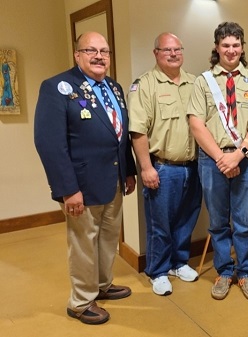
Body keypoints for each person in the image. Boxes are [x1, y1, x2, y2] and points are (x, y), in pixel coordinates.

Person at [34, 32, 137, 325]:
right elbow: (49, 143)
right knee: (82, 244)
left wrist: (127, 171)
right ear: (77, 54)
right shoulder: (57, 88)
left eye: (104, 51)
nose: (99, 56)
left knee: (106, 240)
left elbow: (120, 136)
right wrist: (68, 190)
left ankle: (102, 285)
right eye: (90, 50)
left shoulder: (114, 88)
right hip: (81, 186)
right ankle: (80, 302)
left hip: (114, 181)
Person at [188, 21, 248, 301]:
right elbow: (196, 123)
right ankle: (224, 271)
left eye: (236, 45)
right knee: (218, 221)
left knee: (244, 221)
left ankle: (245, 272)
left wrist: (239, 154)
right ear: (217, 47)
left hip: (244, 159)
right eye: (226, 45)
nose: (231, 50)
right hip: (213, 160)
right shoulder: (203, 82)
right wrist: (222, 157)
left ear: (242, 47)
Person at [128, 32, 202, 296]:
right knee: (160, 224)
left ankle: (179, 262)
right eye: (166, 50)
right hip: (162, 167)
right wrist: (146, 168)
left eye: (177, 49)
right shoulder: (145, 85)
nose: (173, 54)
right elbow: (138, 131)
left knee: (186, 219)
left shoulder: (195, 83)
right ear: (156, 53)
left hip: (193, 166)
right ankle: (158, 271)